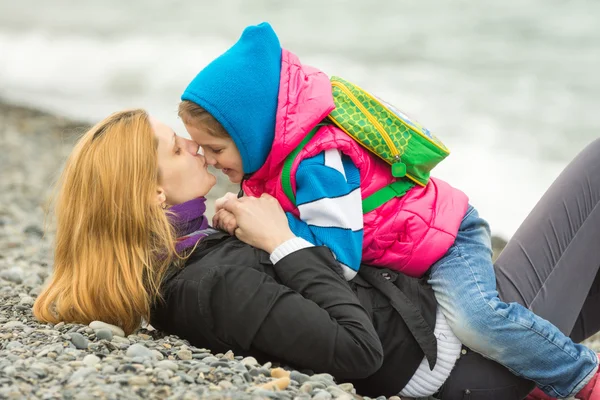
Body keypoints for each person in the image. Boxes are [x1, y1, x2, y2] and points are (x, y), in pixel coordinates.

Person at [33, 109, 600, 399]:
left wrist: (260, 230)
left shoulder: (194, 259)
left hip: (450, 333)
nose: (192, 145)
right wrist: (283, 243)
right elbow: (357, 350)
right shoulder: (205, 286)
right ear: (154, 194)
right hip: (472, 362)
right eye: (173, 146)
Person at [177, 22, 599, 399]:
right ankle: (539, 370)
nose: (210, 160)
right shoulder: (271, 163)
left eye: (215, 149)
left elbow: (339, 262)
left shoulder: (318, 164)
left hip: (446, 239)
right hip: (407, 250)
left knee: (478, 319)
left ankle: (582, 377)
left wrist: (273, 227)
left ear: (253, 131)